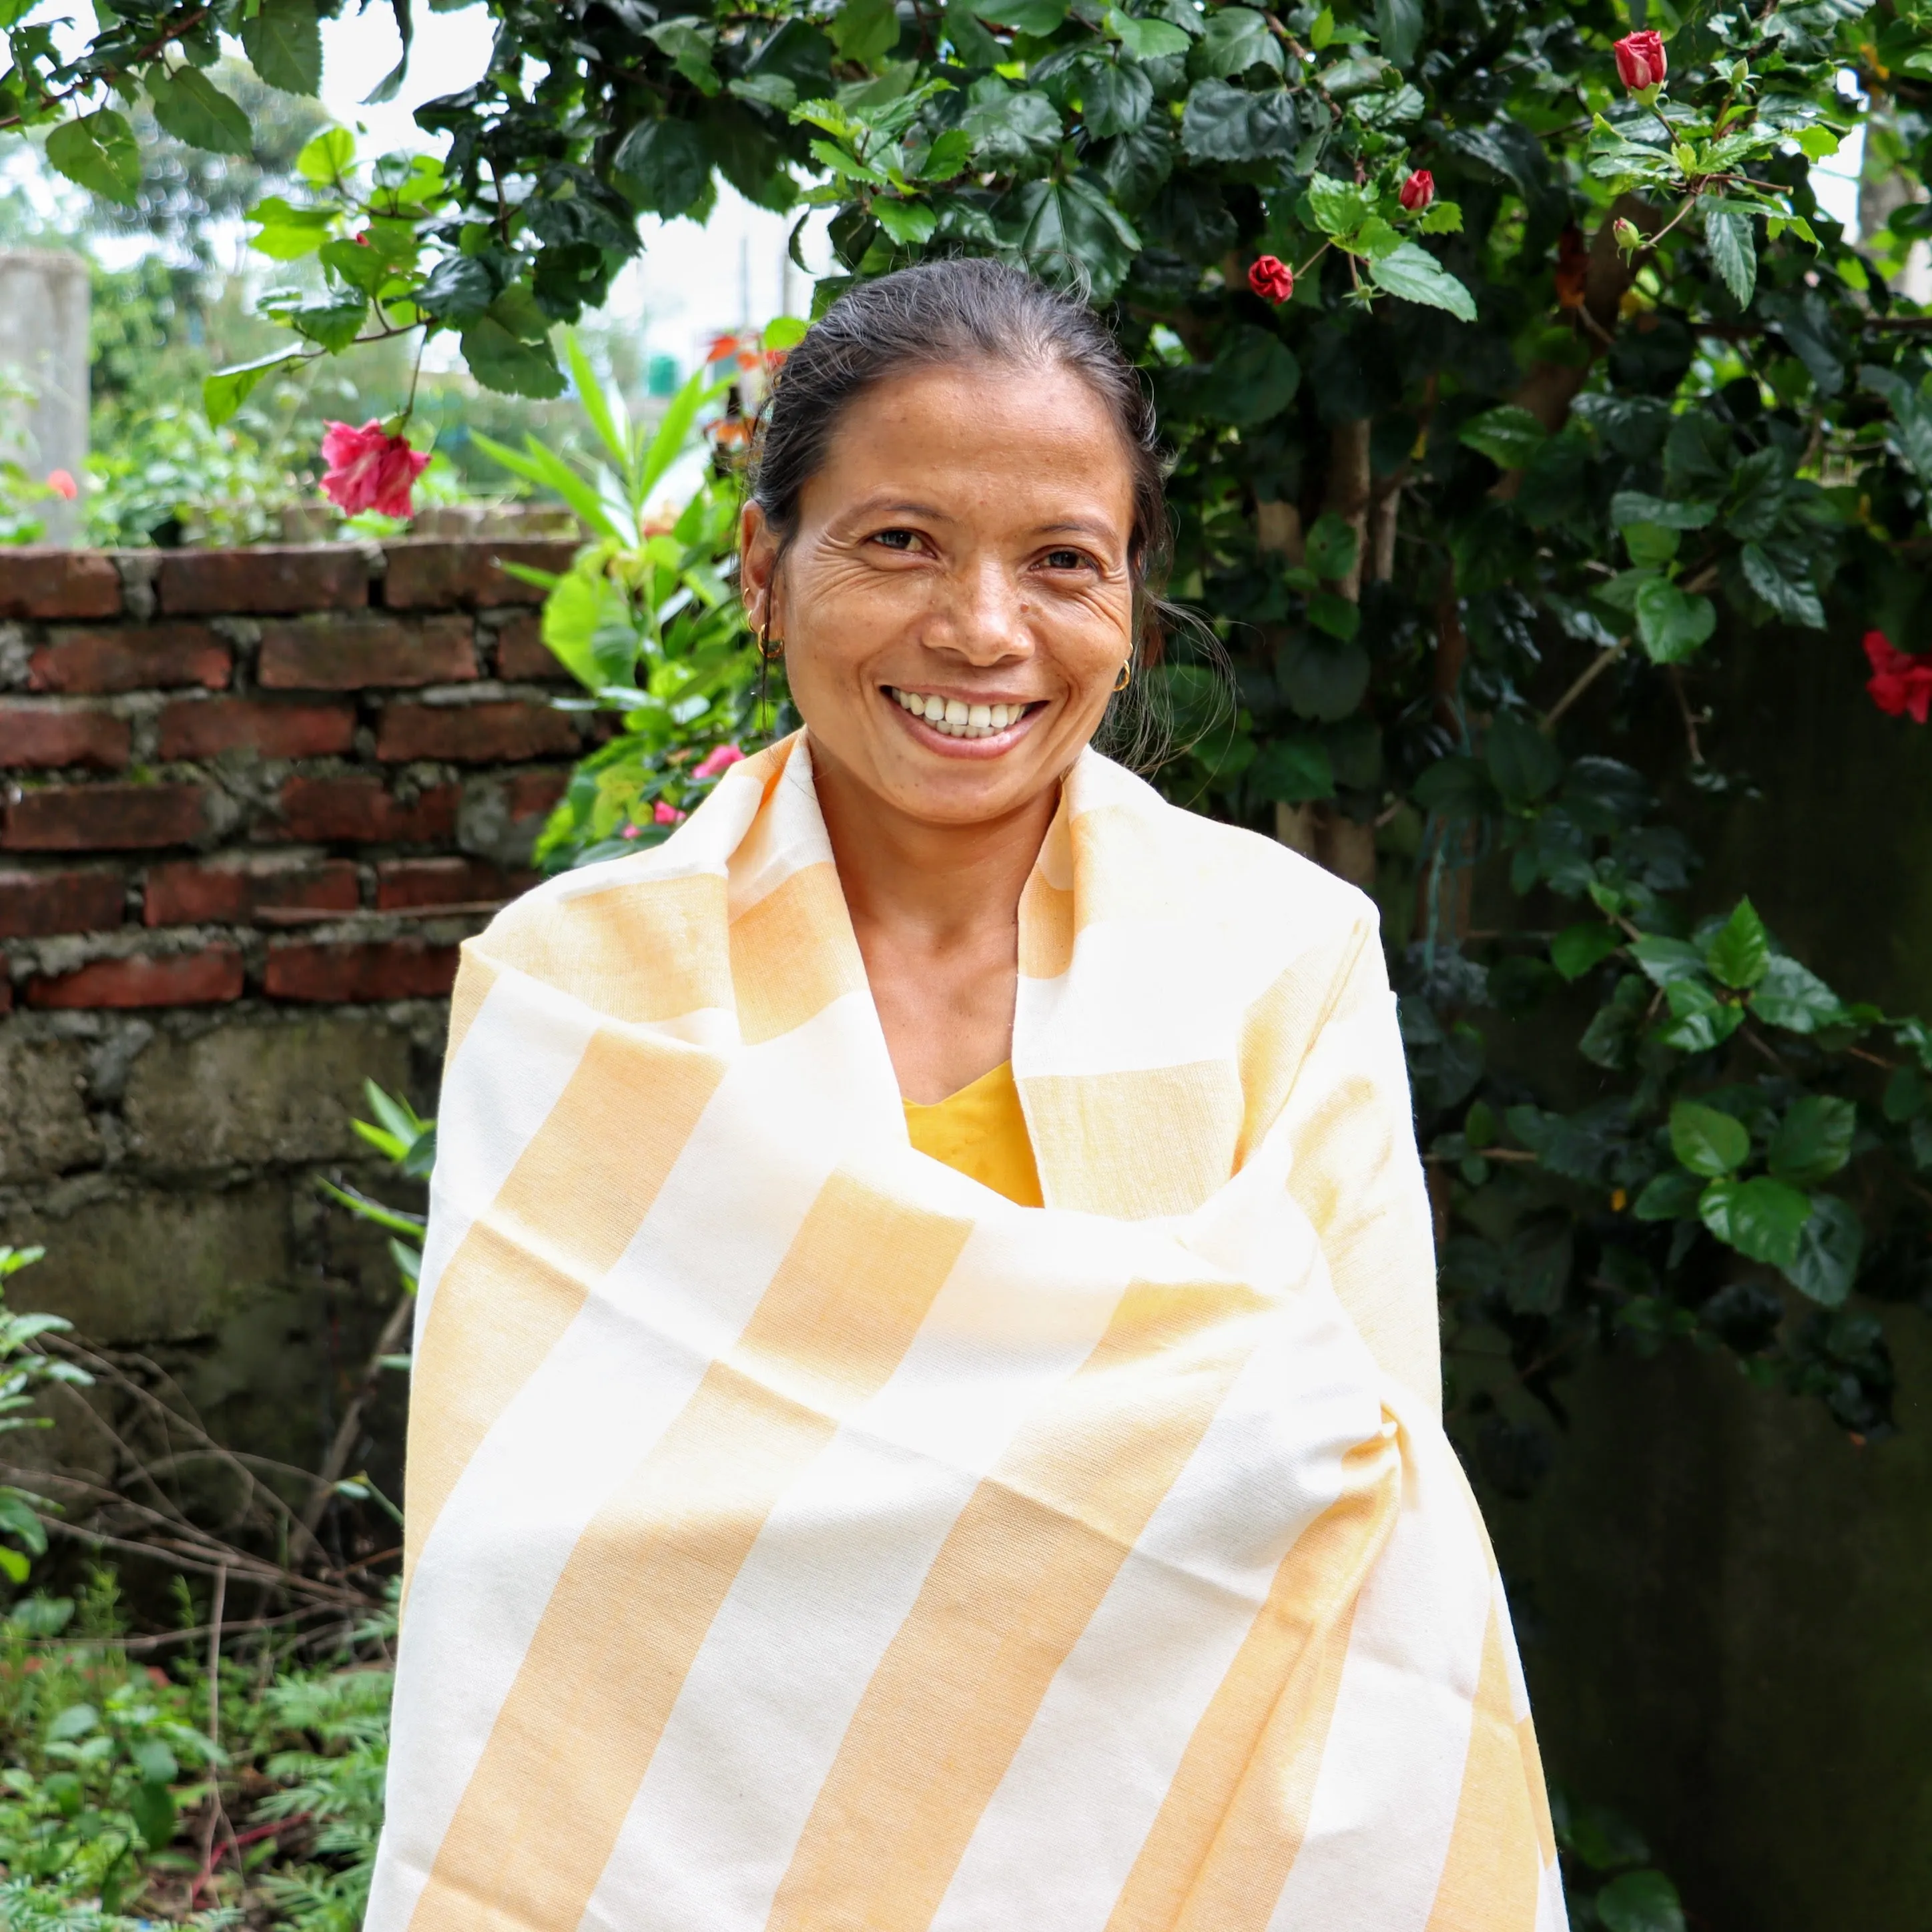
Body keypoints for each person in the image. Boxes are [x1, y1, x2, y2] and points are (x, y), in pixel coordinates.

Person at [366, 258, 1564, 1932]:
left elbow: (1358, 1526)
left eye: (1061, 562)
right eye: (902, 541)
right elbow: (535, 1579)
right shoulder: (581, 997)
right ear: (766, 570)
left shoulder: (1280, 967)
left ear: (1131, 604)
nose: (982, 631)